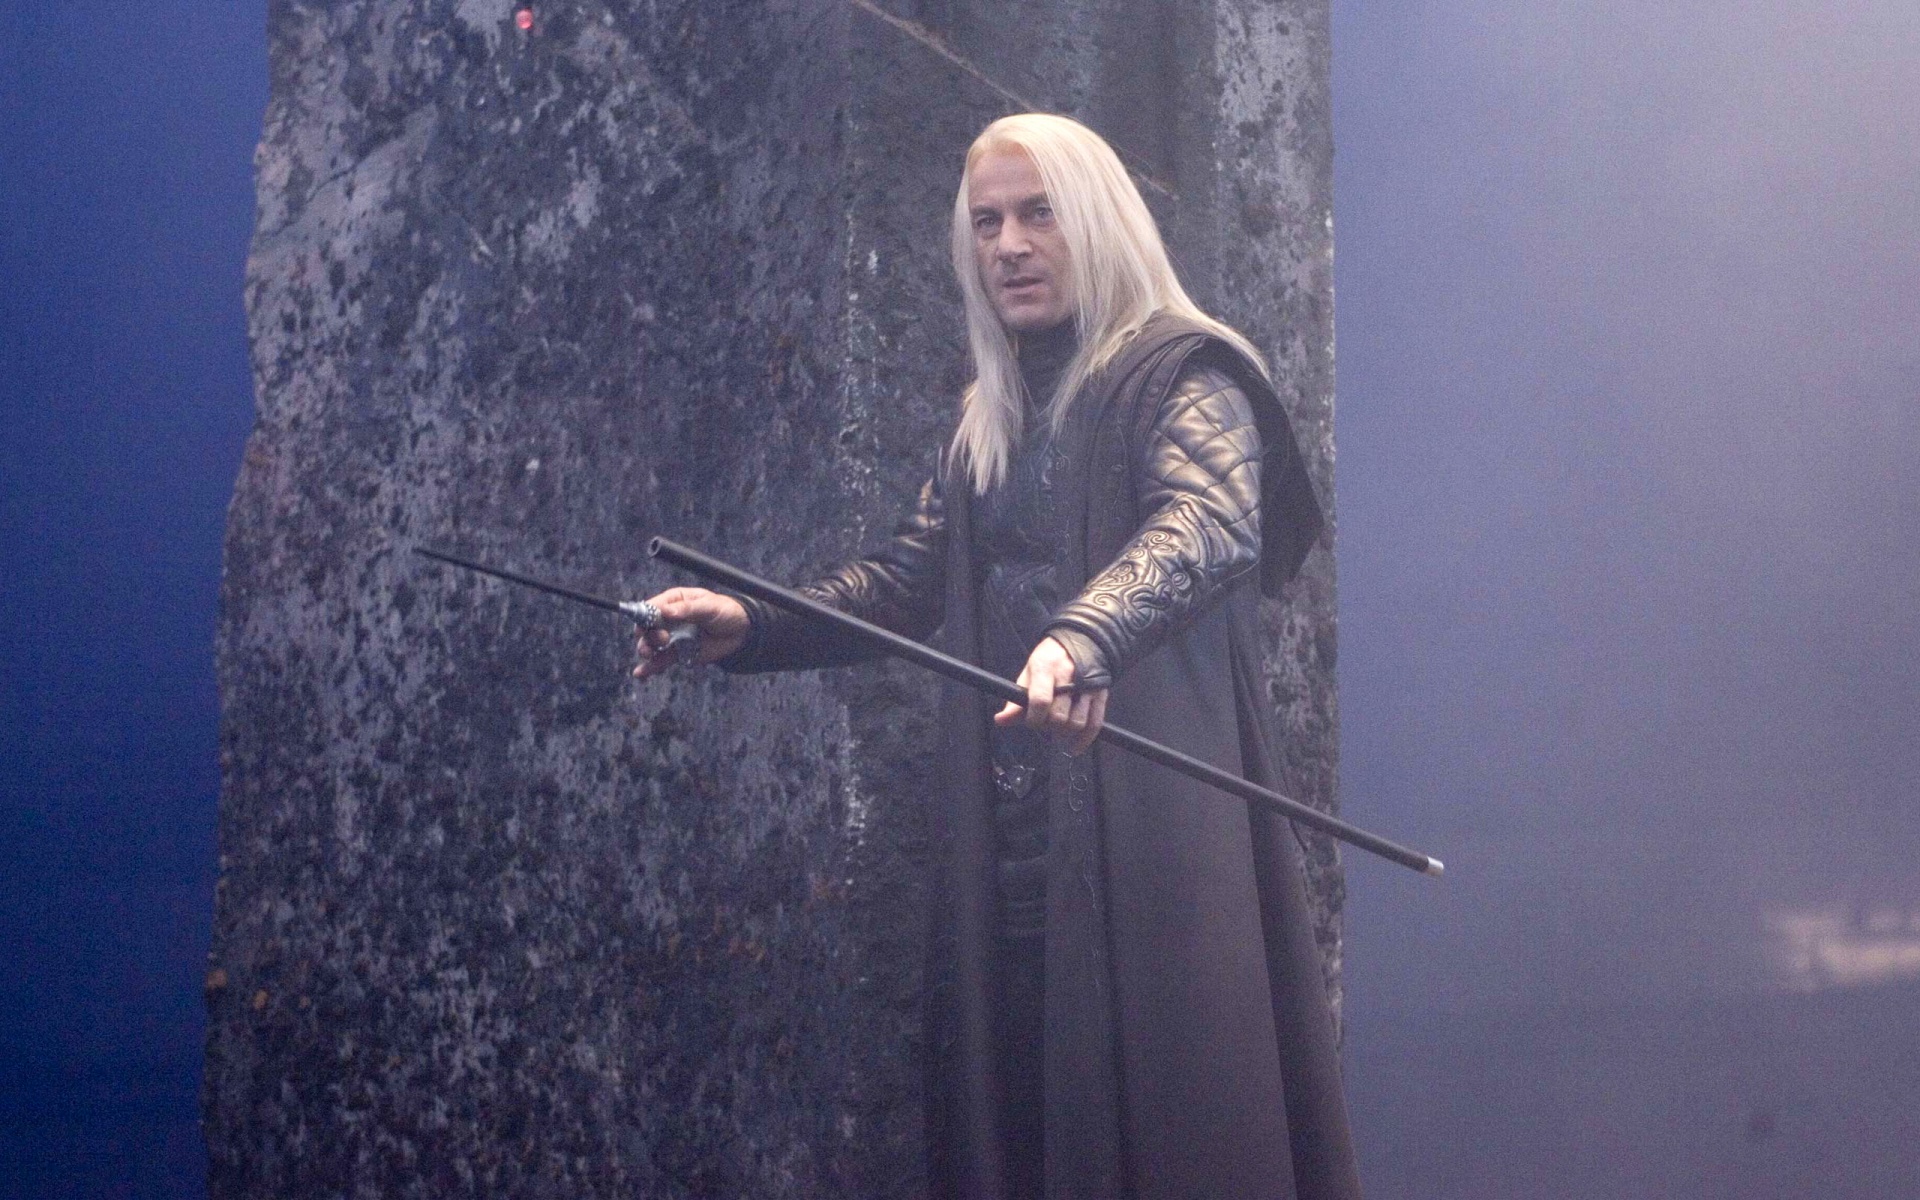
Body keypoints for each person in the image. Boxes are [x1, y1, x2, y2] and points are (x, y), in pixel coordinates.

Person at [633, 113, 1360, 1200]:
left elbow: (1207, 525)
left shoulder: (1185, 372)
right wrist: (752, 618)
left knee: (1178, 1134)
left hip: (1151, 853)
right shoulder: (992, 415)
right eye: (987, 223)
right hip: (1022, 853)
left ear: (1098, 221)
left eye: (1039, 214)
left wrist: (1084, 633)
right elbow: (905, 581)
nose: (1010, 245)